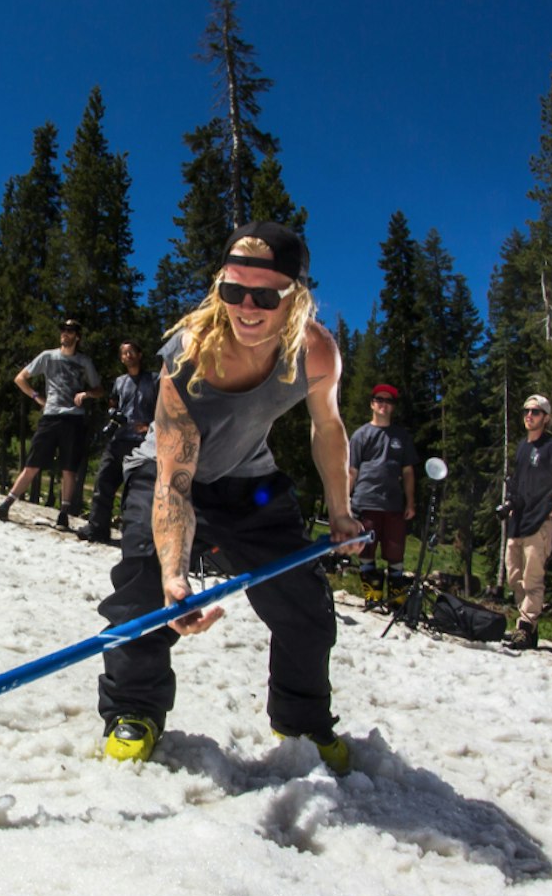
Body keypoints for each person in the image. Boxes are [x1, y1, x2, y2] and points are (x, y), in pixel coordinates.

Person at [95, 221, 364, 773]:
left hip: (251, 484)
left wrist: (341, 512)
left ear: (296, 296)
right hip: (169, 475)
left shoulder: (315, 352)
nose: (247, 306)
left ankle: (301, 722)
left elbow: (329, 429)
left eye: (265, 295)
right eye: (233, 288)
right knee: (144, 588)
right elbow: (173, 476)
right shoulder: (190, 352)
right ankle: (133, 711)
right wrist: (175, 575)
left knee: (305, 606)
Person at [0, 320, 104, 529]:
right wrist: (37, 397)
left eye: (69, 331)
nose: (64, 334)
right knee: (32, 464)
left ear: (77, 336)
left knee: (69, 469)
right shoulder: (47, 356)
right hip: (50, 417)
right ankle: (6, 504)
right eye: (63, 330)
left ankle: (64, 514)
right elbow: (20, 378)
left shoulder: (84, 361)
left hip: (74, 419)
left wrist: (86, 394)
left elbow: (99, 389)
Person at [502, 393, 552, 651]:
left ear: (545, 418)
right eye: (526, 411)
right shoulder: (523, 446)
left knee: (532, 577)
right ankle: (529, 628)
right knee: (513, 574)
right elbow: (516, 481)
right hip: (518, 520)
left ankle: (524, 627)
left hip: (539, 523)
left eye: (535, 412)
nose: (529, 415)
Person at [76, 339, 156, 543]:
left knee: (134, 490)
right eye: (123, 353)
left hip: (143, 443)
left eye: (131, 351)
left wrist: (150, 426)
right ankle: (97, 528)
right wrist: (113, 413)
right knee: (103, 483)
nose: (127, 355)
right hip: (118, 439)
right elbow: (112, 402)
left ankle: (132, 534)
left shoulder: (155, 380)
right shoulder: (120, 381)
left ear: (140, 355)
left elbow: (165, 408)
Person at [347, 383, 419, 601]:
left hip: (393, 504)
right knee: (366, 551)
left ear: (393, 407)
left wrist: (410, 503)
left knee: (395, 552)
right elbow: (352, 470)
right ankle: (373, 595)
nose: (384, 405)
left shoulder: (401, 436)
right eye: (380, 400)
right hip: (366, 501)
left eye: (389, 401)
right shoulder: (360, 435)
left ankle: (396, 598)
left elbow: (408, 472)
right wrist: (344, 501)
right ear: (372, 404)